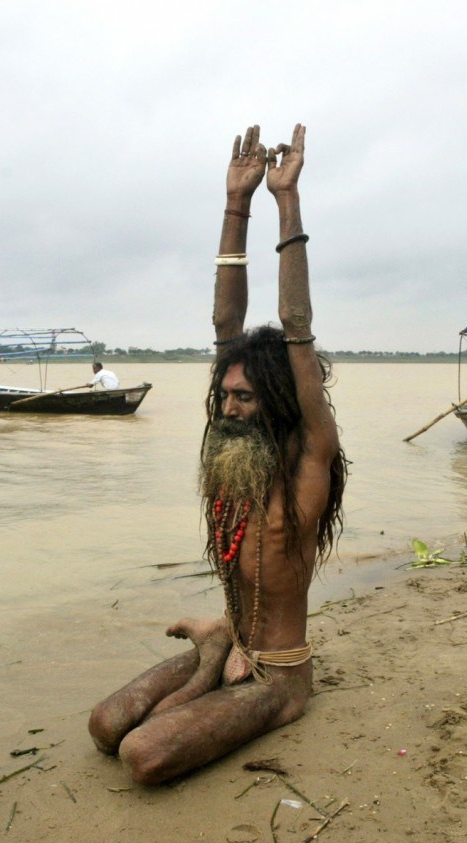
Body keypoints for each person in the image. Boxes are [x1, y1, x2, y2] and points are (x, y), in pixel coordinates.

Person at [88, 124, 347, 786]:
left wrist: (285, 202)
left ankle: (237, 671)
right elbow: (225, 327)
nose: (229, 407)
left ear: (279, 403)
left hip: (277, 675)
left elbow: (297, 329)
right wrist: (236, 206)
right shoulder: (232, 459)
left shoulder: (306, 461)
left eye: (245, 398)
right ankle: (216, 644)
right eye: (225, 395)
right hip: (232, 639)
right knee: (106, 725)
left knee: (143, 754)